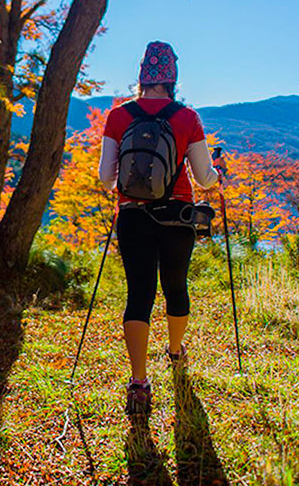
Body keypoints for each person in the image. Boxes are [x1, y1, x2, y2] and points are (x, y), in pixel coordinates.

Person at [97, 41, 223, 415]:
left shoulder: (119, 116)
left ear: (142, 75)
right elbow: (204, 178)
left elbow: (106, 178)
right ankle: (175, 350)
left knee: (139, 293)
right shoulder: (187, 117)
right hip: (177, 215)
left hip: (132, 215)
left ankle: (138, 381)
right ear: (172, 77)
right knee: (175, 287)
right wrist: (217, 172)